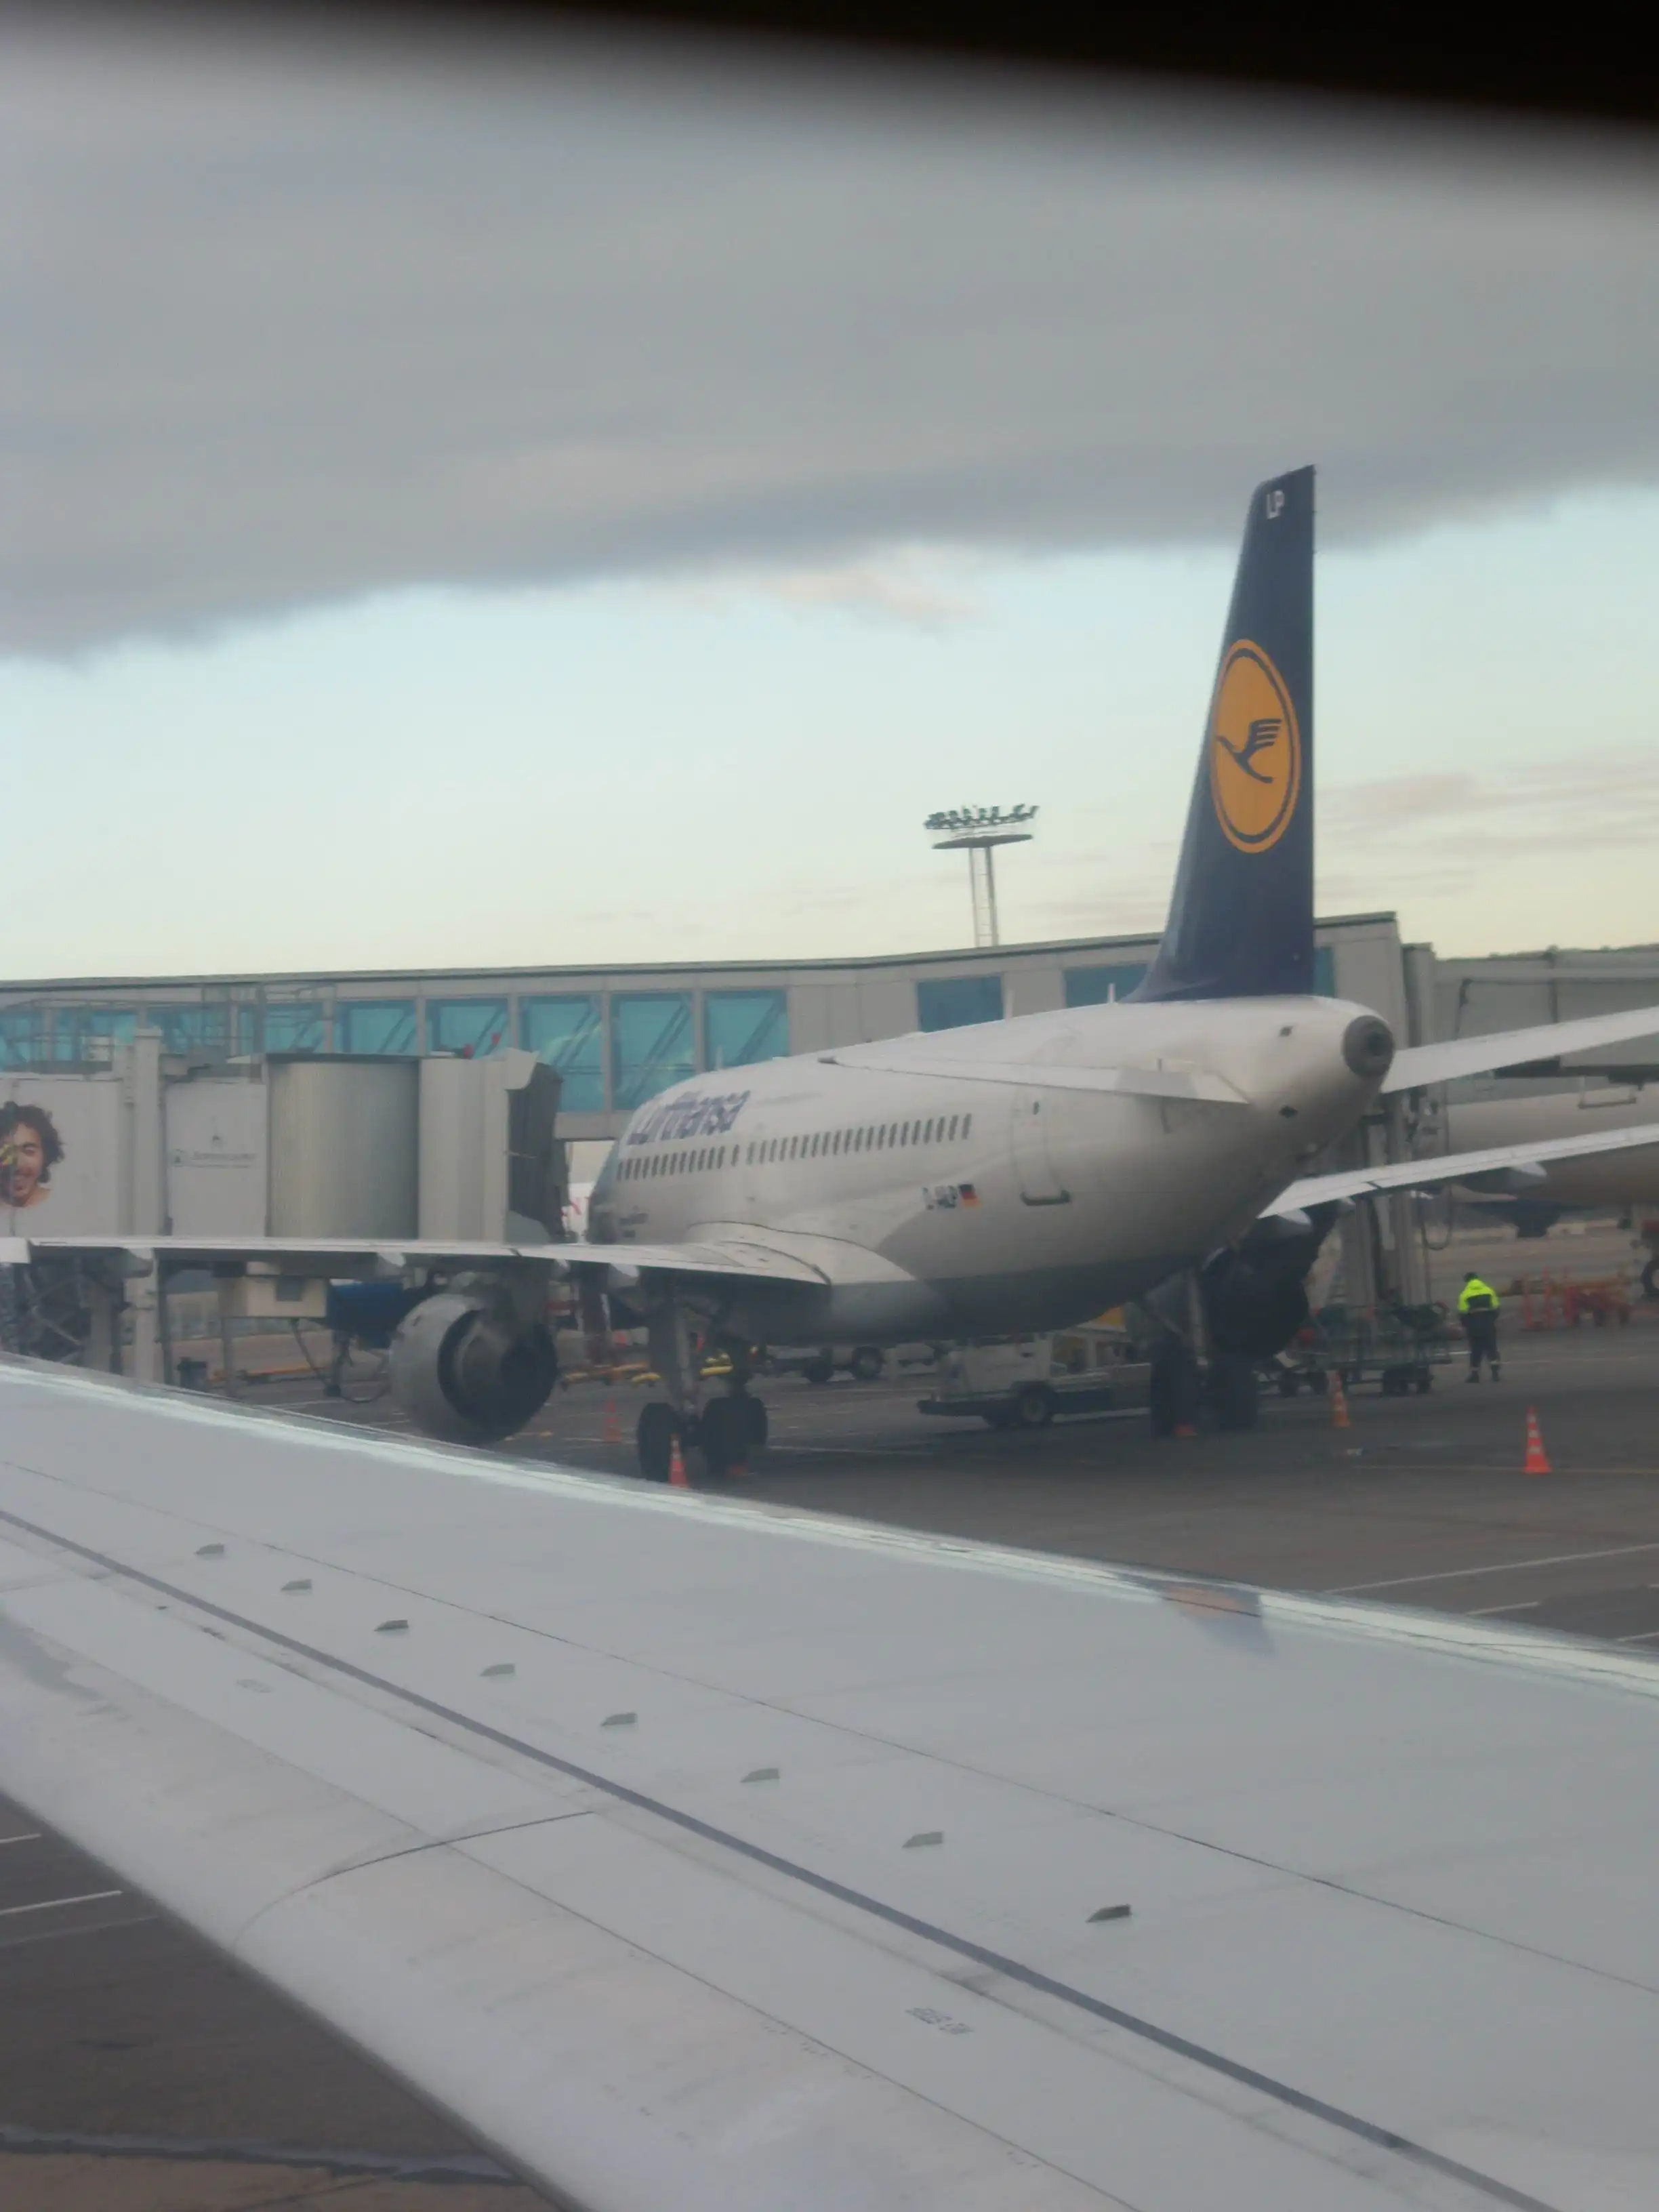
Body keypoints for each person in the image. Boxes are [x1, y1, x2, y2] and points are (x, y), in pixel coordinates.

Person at [0, 1102, 64, 1211]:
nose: (18, 1165)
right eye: (7, 1152)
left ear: (45, 1155)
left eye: (29, 1151)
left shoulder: (65, 1206)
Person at [1457, 1271, 1501, 1382]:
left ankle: (1475, 1375)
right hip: (1488, 1324)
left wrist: (1467, 1325)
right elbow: (1496, 1308)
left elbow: (1462, 1313)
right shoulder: (1489, 1291)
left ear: (1467, 1281)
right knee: (1492, 1349)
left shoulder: (1465, 1294)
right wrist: (1491, 1320)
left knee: (1476, 1350)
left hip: (1474, 1326)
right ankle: (1495, 1374)